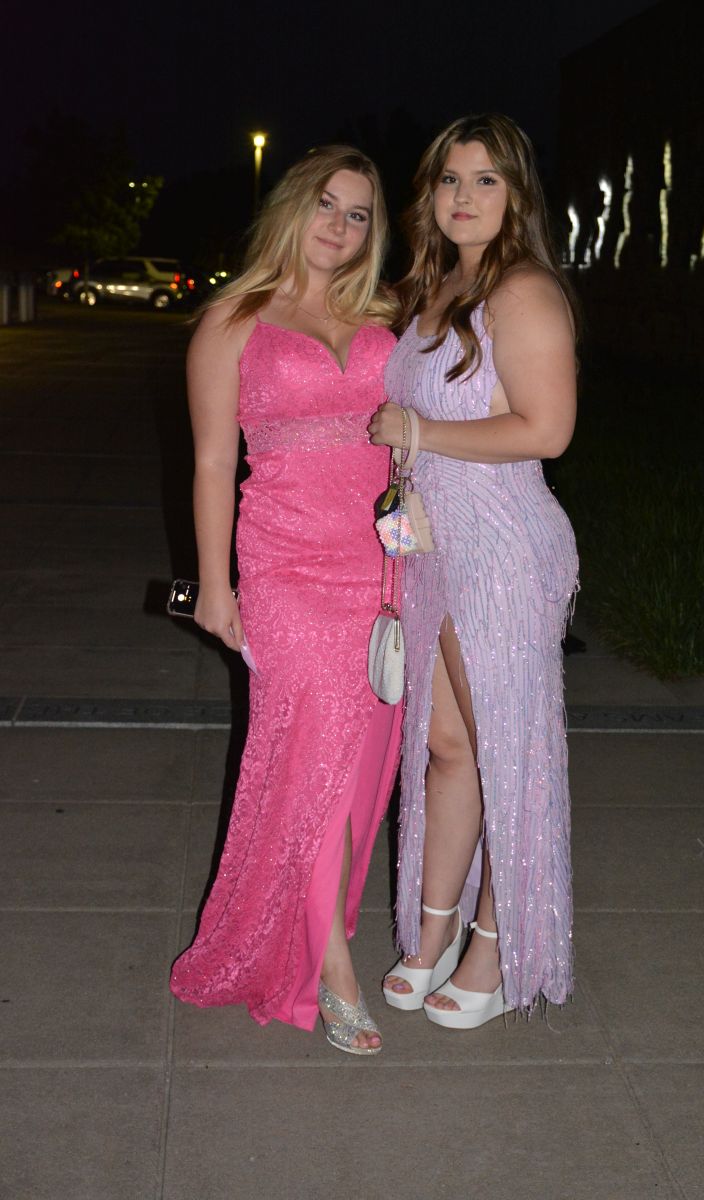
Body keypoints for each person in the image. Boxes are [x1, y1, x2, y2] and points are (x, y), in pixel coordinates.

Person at [170, 146, 402, 1055]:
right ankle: (334, 970)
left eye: (358, 214)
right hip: (287, 569)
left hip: (384, 568)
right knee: (309, 762)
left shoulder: (383, 316)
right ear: (293, 208)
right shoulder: (234, 319)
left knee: (357, 768)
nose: (340, 225)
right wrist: (214, 585)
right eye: (327, 205)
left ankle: (311, 932)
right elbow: (210, 463)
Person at [369, 113, 579, 1029]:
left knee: (505, 756)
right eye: (451, 179)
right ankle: (434, 933)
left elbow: (547, 429)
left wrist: (420, 432)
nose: (464, 196)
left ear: (516, 193)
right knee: (448, 749)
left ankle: (499, 949)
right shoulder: (434, 287)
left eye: (486, 179)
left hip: (501, 551)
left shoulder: (522, 291)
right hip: (432, 547)